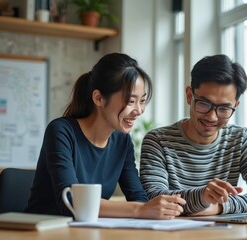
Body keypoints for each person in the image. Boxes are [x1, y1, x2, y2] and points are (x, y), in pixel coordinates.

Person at [25, 53, 186, 219]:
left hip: (86, 232)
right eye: (131, 101)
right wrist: (139, 210)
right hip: (42, 232)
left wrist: (153, 208)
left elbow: (138, 197)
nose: (138, 110)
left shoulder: (122, 141)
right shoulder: (61, 131)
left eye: (142, 100)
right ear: (99, 98)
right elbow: (72, 203)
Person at [139, 54, 247, 216]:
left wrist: (218, 207)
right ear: (189, 96)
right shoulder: (158, 141)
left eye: (224, 109)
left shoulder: (240, 140)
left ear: (235, 106)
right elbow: (154, 199)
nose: (212, 117)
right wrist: (202, 197)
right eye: (204, 104)